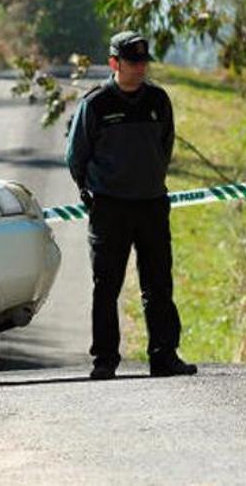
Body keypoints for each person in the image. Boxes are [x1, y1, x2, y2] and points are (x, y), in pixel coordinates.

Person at [66, 31, 196, 380]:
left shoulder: (158, 99)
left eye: (143, 61)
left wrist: (149, 178)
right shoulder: (95, 104)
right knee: (106, 285)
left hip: (151, 204)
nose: (140, 68)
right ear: (114, 63)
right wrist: (89, 190)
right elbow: (76, 155)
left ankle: (164, 356)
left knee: (159, 284)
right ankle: (105, 359)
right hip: (110, 208)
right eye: (132, 61)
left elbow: (164, 146)